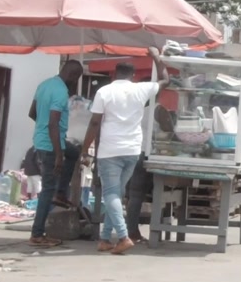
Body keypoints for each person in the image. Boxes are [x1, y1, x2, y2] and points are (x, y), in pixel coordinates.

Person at [81, 60, 159, 255]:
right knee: (117, 193)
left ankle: (124, 237)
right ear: (133, 76)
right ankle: (106, 238)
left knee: (111, 194)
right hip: (133, 150)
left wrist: (85, 148)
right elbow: (165, 79)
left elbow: (94, 123)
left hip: (110, 150)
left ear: (114, 74)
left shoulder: (104, 92)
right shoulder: (141, 89)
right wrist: (156, 57)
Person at [27, 59, 83, 248]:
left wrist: (43, 128)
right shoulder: (60, 93)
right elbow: (53, 123)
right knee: (47, 190)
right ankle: (37, 233)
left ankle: (60, 192)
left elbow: (32, 112)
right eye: (76, 79)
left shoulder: (44, 84)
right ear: (72, 76)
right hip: (51, 144)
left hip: (44, 139)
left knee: (74, 152)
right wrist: (59, 154)